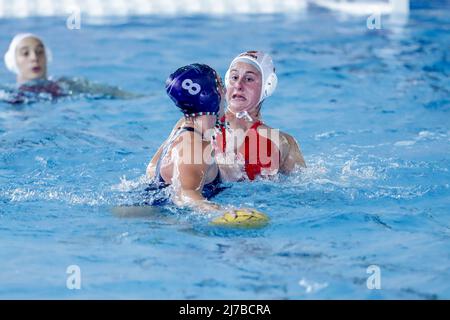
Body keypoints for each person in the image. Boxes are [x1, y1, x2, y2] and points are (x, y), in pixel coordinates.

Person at [214, 50, 306, 181]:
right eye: (234, 77)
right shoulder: (197, 126)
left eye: (249, 79)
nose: (238, 85)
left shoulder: (283, 143)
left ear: (268, 85)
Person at [146, 63, 225, 212]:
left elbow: (151, 170)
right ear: (210, 95)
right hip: (163, 224)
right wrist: (226, 212)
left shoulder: (181, 126)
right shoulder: (197, 146)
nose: (226, 91)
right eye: (220, 84)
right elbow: (185, 195)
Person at [2, 33, 138, 104]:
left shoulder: (65, 84)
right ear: (13, 61)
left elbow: (111, 92)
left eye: (39, 51)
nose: (34, 58)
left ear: (47, 56)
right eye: (25, 53)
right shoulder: (8, 94)